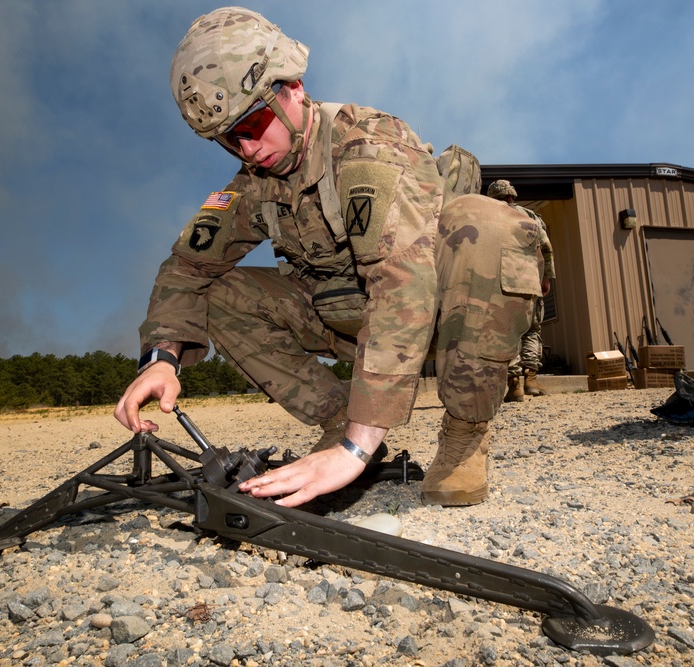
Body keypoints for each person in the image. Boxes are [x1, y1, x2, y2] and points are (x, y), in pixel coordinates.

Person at [115, 7, 541, 508]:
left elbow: (402, 281)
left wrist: (356, 448)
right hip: (347, 318)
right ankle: (337, 416)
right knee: (218, 294)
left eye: (253, 121)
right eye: (230, 138)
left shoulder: (367, 149)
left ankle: (465, 430)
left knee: (487, 226)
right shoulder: (254, 187)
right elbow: (187, 267)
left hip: (432, 313)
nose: (248, 148)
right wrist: (161, 361)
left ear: (293, 87)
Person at [486, 180, 555, 402]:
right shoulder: (530, 216)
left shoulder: (488, 217)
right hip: (530, 279)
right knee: (532, 330)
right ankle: (531, 380)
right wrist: (546, 277)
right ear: (512, 195)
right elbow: (546, 248)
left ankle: (514, 385)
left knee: (507, 331)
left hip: (501, 281)